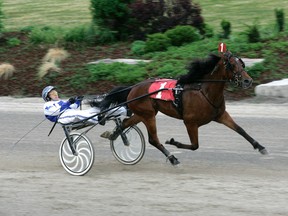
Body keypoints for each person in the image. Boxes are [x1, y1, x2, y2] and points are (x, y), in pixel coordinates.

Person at [42, 86, 127, 125]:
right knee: (77, 114)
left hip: (70, 113)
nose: (55, 94)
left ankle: (123, 110)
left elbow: (73, 107)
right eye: (52, 93)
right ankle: (98, 119)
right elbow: (58, 111)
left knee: (95, 109)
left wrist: (78, 100)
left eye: (55, 92)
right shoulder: (47, 105)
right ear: (48, 97)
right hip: (61, 118)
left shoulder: (59, 102)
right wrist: (68, 102)